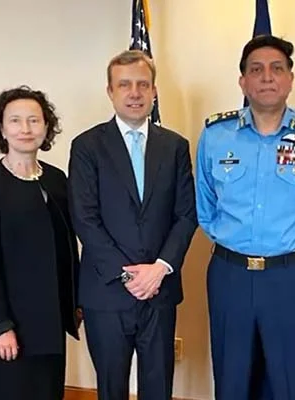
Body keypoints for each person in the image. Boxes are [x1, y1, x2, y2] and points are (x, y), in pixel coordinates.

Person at [195, 34, 295, 399]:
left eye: (277, 69)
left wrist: (293, 254)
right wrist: (234, 245)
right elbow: (205, 207)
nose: (266, 77)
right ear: (242, 81)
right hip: (230, 274)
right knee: (231, 379)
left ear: (290, 79)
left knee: (289, 380)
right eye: (256, 69)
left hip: (290, 277)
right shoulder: (216, 135)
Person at [68, 49, 197, 400]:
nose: (135, 93)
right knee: (111, 388)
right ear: (110, 92)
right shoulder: (87, 146)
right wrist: (128, 276)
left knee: (159, 386)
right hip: (107, 292)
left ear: (154, 90)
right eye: (124, 85)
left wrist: (159, 269)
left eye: (143, 84)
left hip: (160, 289)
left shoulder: (175, 146)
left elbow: (187, 214)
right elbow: (84, 218)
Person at [0, 86, 80, 400]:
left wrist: (75, 302)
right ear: (1, 128)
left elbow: (68, 246)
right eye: (15, 120)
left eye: (34, 120)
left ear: (46, 126)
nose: (25, 128)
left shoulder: (56, 179)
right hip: (10, 326)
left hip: (51, 321)